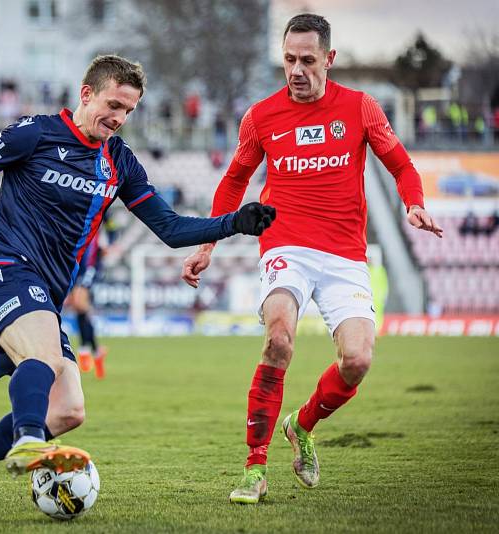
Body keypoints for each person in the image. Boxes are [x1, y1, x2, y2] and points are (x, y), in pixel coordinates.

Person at [0, 54, 276, 517]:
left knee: (67, 411)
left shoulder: (119, 162)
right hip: (0, 271)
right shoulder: (35, 133)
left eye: (129, 110)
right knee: (43, 358)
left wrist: (234, 222)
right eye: (113, 105)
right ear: (86, 94)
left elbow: (168, 228)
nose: (120, 118)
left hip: (45, 292)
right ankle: (27, 442)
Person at [181, 14, 443, 505]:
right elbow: (234, 181)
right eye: (288, 60)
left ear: (329, 59)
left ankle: (301, 425)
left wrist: (414, 202)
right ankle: (254, 468)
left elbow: (400, 163)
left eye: (307, 60)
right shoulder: (260, 116)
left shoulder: (361, 108)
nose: (297, 70)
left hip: (345, 253)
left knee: (358, 360)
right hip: (286, 244)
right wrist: (207, 243)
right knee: (279, 340)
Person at [69, 231, 107, 378]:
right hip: (76, 266)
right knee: (78, 308)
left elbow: (110, 230)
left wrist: (107, 243)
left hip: (90, 267)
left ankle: (85, 350)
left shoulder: (99, 216)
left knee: (80, 303)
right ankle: (96, 351)